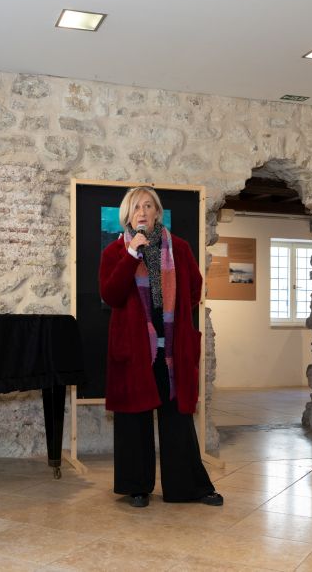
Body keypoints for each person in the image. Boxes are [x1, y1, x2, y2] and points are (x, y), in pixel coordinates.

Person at [99, 186, 222, 508]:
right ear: (127, 215)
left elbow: (194, 291)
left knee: (177, 419)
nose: (142, 212)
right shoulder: (115, 252)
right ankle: (136, 487)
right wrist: (130, 256)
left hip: (170, 350)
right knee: (134, 418)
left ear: (157, 212)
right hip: (134, 349)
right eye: (136, 207)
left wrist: (171, 319)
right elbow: (111, 295)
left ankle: (187, 487)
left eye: (148, 206)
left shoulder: (178, 248)